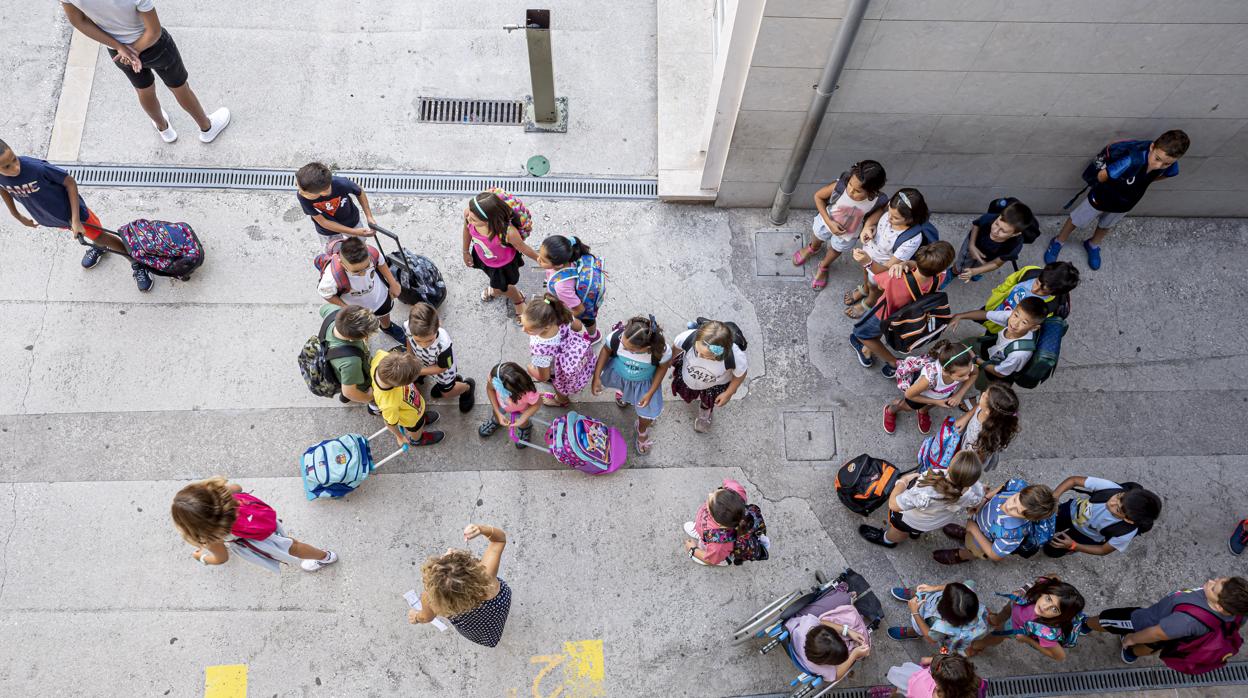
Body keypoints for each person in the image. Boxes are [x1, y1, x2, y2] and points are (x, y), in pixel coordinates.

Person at [60, 0, 230, 144]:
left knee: (144, 90)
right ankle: (206, 127)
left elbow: (78, 21)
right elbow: (154, 31)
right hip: (155, 47)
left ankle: (164, 129)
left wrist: (122, 49)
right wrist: (134, 52)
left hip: (119, 53)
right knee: (179, 87)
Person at [0, 139, 154, 290]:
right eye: (7, 166)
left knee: (101, 236)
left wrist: (76, 220)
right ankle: (100, 247)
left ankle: (137, 262)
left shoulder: (37, 169)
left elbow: (70, 182)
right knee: (96, 237)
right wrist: (17, 215)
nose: (15, 168)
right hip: (52, 217)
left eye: (14, 159)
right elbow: (3, 189)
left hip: (77, 214)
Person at [1046, 130, 1190, 270]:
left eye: (1166, 164)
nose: (1158, 166)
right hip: (1103, 196)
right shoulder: (1132, 160)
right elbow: (1102, 176)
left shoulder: (1169, 163)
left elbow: (1169, 174)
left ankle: (1093, 244)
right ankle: (1059, 241)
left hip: (1127, 202)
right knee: (1078, 218)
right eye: (1157, 159)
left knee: (1107, 224)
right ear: (1152, 147)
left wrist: (1144, 180)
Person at [170, 476, 337, 573]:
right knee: (292, 543)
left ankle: (325, 558)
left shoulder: (211, 538)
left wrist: (203, 558)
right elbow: (238, 487)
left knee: (291, 547)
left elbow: (222, 558)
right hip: (259, 517)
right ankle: (324, 556)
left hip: (259, 538)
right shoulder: (224, 494)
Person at [849, 242, 956, 378]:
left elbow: (881, 282)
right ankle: (867, 349)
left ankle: (895, 363)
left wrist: (867, 262)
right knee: (877, 333)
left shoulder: (897, 280)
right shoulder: (940, 277)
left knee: (861, 334)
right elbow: (919, 266)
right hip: (905, 319)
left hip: (883, 315)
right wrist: (907, 264)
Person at [1087, 577, 1248, 666]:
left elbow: (1155, 633)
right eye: (1221, 579)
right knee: (1154, 645)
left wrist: (1131, 638)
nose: (1212, 581)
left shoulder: (1186, 621)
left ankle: (1084, 625)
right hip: (1175, 636)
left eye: (1214, 588)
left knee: (1108, 619)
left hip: (1146, 621)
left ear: (1219, 607)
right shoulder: (1239, 611)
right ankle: (1130, 653)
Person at [410, 524, 512, 648]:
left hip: (473, 626)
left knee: (486, 634)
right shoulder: (487, 576)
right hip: (498, 608)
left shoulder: (431, 600)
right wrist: (481, 529)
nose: (448, 550)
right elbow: (499, 540)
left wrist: (415, 617)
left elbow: (426, 617)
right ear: (471, 568)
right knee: (497, 622)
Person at [793, 160, 889, 291]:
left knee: (837, 249)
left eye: (857, 191)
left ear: (872, 191)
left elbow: (875, 215)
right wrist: (828, 222)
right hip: (827, 221)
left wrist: (867, 227)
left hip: (850, 232)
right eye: (850, 184)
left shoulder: (878, 201)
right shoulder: (840, 186)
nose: (851, 191)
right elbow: (818, 197)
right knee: (818, 236)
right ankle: (813, 248)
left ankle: (824, 266)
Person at [859, 452, 985, 549]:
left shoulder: (928, 489)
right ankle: (915, 533)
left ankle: (888, 540)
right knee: (917, 528)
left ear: (951, 464)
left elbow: (894, 504)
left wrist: (903, 481)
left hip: (910, 519)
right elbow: (975, 502)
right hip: (935, 521)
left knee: (900, 530)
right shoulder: (975, 490)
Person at [844, 188, 938, 319]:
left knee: (875, 286)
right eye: (889, 213)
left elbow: (887, 269)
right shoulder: (893, 207)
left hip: (880, 266)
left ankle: (870, 301)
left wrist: (868, 262)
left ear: (911, 219)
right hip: (869, 254)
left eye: (895, 218)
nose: (889, 219)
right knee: (866, 274)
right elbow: (880, 211)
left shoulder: (911, 239)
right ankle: (865, 289)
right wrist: (868, 226)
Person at [590, 315, 671, 454]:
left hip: (643, 385)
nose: (623, 346)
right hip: (620, 376)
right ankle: (624, 393)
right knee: (622, 388)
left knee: (647, 414)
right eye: (622, 342)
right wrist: (596, 376)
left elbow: (662, 368)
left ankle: (642, 430)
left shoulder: (661, 351)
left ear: (647, 347)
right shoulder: (617, 338)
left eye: (630, 349)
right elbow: (605, 350)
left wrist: (651, 392)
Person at [934, 479, 1057, 566]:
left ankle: (961, 555)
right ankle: (965, 534)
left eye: (1017, 511)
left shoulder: (1013, 534)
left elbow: (994, 555)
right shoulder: (1017, 487)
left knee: (973, 550)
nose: (1009, 506)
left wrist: (974, 530)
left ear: (1030, 518)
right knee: (969, 536)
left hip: (981, 543)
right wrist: (985, 500)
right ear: (1022, 491)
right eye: (1015, 499)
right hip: (977, 522)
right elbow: (1003, 487)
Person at [463, 190, 539, 322]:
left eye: (473, 219)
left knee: (503, 287)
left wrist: (540, 259)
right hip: (484, 258)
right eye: (469, 214)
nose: (468, 218)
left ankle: (517, 299)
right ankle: (497, 288)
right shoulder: (469, 215)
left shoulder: (507, 232)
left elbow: (523, 248)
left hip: (503, 265)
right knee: (496, 282)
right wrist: (465, 251)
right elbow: (466, 230)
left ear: (489, 220)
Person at [317, 237, 406, 345]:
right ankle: (363, 339)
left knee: (384, 313)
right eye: (356, 271)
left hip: (380, 297)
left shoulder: (372, 253)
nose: (363, 274)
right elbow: (326, 294)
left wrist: (393, 283)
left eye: (367, 267)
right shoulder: (330, 278)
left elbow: (381, 262)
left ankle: (387, 328)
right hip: (358, 311)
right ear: (341, 263)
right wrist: (346, 308)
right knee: (362, 329)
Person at [1043, 476, 1162, 558]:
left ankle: (1058, 547)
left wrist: (1074, 545)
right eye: (1119, 497)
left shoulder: (1124, 533)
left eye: (1118, 509)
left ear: (1128, 520)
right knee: (1046, 524)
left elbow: (1103, 550)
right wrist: (1054, 498)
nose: (1111, 502)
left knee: (1052, 550)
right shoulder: (1111, 488)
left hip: (1086, 536)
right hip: (1071, 511)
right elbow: (1073, 480)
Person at [973, 576, 1086, 662]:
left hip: (1016, 625)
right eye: (1048, 599)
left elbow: (1060, 656)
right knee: (1007, 610)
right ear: (1046, 591)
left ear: (1061, 617)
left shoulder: (1046, 631)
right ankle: (997, 619)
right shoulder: (1044, 585)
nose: (1044, 607)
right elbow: (1049, 577)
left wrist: (1027, 640)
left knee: (998, 633)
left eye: (1055, 609)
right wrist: (1021, 592)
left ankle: (979, 645)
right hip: (1018, 603)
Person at [782, 581, 872, 685]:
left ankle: (842, 596)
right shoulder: (818, 666)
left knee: (840, 602)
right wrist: (854, 655)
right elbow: (836, 675)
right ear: (826, 663)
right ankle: (843, 596)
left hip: (793, 633)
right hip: (797, 629)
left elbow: (821, 623)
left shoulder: (808, 626)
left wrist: (848, 631)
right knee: (843, 601)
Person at [919, 384, 1021, 473]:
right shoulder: (992, 411)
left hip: (970, 454)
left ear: (989, 411)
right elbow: (979, 407)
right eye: (985, 392)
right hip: (969, 442)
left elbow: (974, 459)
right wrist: (966, 417)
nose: (983, 393)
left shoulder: (984, 438)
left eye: (984, 396)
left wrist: (954, 465)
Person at [670, 320, 749, 433]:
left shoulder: (736, 357)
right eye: (697, 352)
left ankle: (704, 413)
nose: (700, 357)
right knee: (686, 392)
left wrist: (728, 393)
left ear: (723, 353)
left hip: (713, 386)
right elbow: (676, 347)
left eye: (707, 356)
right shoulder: (687, 337)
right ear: (696, 337)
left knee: (707, 402)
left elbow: (740, 375)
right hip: (689, 377)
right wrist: (671, 359)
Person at [885, 341, 977, 436]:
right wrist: (937, 402)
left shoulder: (965, 367)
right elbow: (909, 395)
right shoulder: (929, 378)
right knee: (907, 407)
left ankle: (923, 411)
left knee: (932, 404)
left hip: (940, 395)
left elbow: (974, 374)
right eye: (962, 376)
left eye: (969, 371)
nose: (967, 377)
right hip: (920, 396)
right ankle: (891, 410)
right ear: (946, 371)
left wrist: (959, 394)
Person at [953, 296, 1046, 389]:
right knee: (964, 344)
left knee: (982, 386)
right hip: (993, 351)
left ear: (1034, 328)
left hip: (996, 373)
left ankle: (978, 398)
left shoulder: (1019, 354)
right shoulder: (1014, 316)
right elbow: (985, 315)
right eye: (1016, 315)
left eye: (1024, 322)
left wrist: (976, 359)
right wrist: (960, 316)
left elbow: (1000, 373)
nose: (1015, 323)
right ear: (1014, 311)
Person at [522, 295, 596, 407]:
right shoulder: (559, 315)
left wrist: (531, 370)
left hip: (558, 369)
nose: (524, 330)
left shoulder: (540, 349)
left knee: (557, 383)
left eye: (530, 329)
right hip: (575, 352)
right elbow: (578, 327)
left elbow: (544, 377)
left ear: (546, 327)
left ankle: (561, 400)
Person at [886, 581, 990, 657]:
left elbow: (931, 638)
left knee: (923, 626)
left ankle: (916, 632)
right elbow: (956, 586)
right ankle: (919, 596)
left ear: (943, 615)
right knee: (927, 597)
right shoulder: (967, 590)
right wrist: (934, 588)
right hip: (968, 622)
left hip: (935, 628)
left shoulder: (942, 627)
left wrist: (915, 612)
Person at [404, 303, 475, 413]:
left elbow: (442, 368)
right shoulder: (409, 327)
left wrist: (418, 371)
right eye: (418, 341)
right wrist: (409, 355)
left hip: (443, 372)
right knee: (443, 388)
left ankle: (467, 387)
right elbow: (408, 339)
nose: (423, 345)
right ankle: (451, 384)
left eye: (429, 340)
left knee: (447, 393)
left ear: (438, 327)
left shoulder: (444, 345)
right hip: (425, 363)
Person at [681, 478, 768, 566]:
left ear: (718, 523)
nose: (710, 494)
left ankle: (716, 552)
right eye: (718, 492)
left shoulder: (719, 545)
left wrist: (693, 550)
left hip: (718, 551)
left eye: (710, 502)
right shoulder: (736, 492)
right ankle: (701, 533)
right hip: (710, 534)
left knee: (710, 553)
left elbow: (711, 560)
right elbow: (729, 481)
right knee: (707, 536)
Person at [978, 262, 1080, 334]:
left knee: (991, 333)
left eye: (1043, 291)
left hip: (1005, 325)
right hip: (995, 306)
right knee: (982, 319)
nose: (1035, 290)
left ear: (1054, 293)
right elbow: (1010, 281)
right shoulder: (1030, 271)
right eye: (1036, 282)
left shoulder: (1049, 306)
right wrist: (997, 293)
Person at [370, 349, 443, 448]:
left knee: (419, 419)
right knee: (416, 428)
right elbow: (390, 423)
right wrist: (400, 436)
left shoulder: (381, 356)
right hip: (410, 420)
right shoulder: (389, 404)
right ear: (401, 384)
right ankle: (417, 439)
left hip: (414, 407)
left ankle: (421, 418)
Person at [539, 234, 606, 341]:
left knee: (587, 320)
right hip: (570, 293)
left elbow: (579, 309)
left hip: (576, 305)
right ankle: (594, 335)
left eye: (543, 260)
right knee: (589, 320)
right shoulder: (570, 256)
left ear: (558, 265)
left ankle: (593, 337)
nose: (538, 260)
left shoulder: (561, 287)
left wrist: (566, 319)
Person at [296, 163, 377, 249]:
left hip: (351, 221)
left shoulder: (342, 184)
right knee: (333, 251)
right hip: (327, 230)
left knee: (359, 247)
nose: (299, 192)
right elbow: (323, 222)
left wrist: (369, 216)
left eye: (304, 192)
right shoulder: (302, 197)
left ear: (324, 192)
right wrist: (354, 232)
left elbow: (359, 191)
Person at [318, 304, 380, 414]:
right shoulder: (351, 362)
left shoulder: (334, 312)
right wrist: (369, 397)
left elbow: (322, 308)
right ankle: (374, 407)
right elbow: (349, 392)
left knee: (346, 384)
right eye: (368, 335)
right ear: (352, 339)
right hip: (360, 382)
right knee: (353, 390)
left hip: (338, 369)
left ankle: (344, 399)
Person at [953, 201, 1034, 283]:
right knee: (961, 264)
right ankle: (955, 271)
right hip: (972, 246)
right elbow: (976, 224)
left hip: (988, 260)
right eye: (996, 224)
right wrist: (971, 245)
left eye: (1003, 231)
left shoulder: (1014, 246)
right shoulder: (989, 218)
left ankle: (976, 273)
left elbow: (996, 263)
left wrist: (975, 271)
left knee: (981, 267)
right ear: (999, 216)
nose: (995, 231)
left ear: (1015, 234)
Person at [478, 362, 542, 449]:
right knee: (496, 414)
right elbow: (490, 389)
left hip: (522, 409)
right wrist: (497, 412)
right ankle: (496, 420)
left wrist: (523, 419)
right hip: (502, 405)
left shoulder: (528, 393)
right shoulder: (495, 378)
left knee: (523, 422)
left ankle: (524, 427)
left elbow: (537, 403)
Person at [882, 654, 985, 698]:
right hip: (918, 681)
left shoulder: (924, 692)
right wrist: (933, 660)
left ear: (939, 685)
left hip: (914, 686)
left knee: (900, 688)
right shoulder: (978, 683)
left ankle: (892, 693)